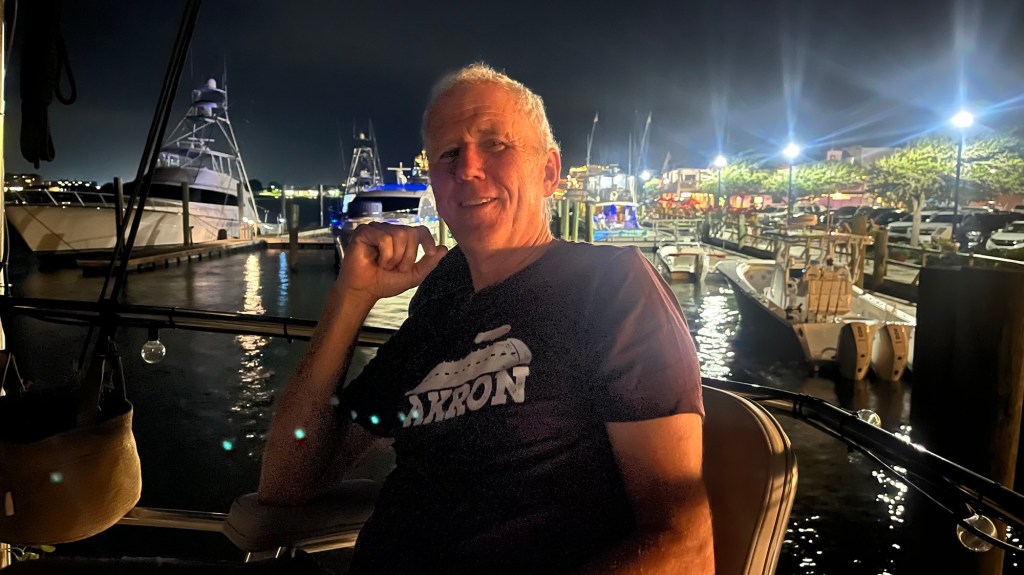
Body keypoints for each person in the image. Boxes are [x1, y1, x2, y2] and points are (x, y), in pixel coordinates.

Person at [258, 63, 714, 574]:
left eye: (495, 144)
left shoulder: (610, 286)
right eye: (448, 153)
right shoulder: (439, 303)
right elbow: (287, 482)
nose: (467, 168)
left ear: (548, 172)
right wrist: (350, 299)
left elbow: (685, 547)